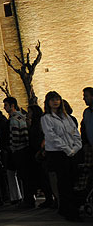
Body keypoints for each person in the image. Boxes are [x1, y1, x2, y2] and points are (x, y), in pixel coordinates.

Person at [41, 91, 82, 222]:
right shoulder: (46, 118)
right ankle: (70, 212)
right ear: (48, 102)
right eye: (52, 100)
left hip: (71, 152)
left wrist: (75, 147)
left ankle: (67, 208)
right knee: (64, 183)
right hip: (58, 153)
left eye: (57, 99)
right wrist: (66, 148)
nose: (55, 102)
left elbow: (75, 132)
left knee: (72, 181)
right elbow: (52, 136)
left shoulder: (66, 117)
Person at [3, 96, 35, 208]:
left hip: (18, 150)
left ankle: (28, 201)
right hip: (25, 149)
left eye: (6, 105)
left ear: (12, 105)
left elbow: (15, 136)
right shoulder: (22, 117)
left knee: (23, 176)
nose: (4, 108)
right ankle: (30, 198)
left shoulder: (14, 119)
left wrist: (13, 147)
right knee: (27, 176)